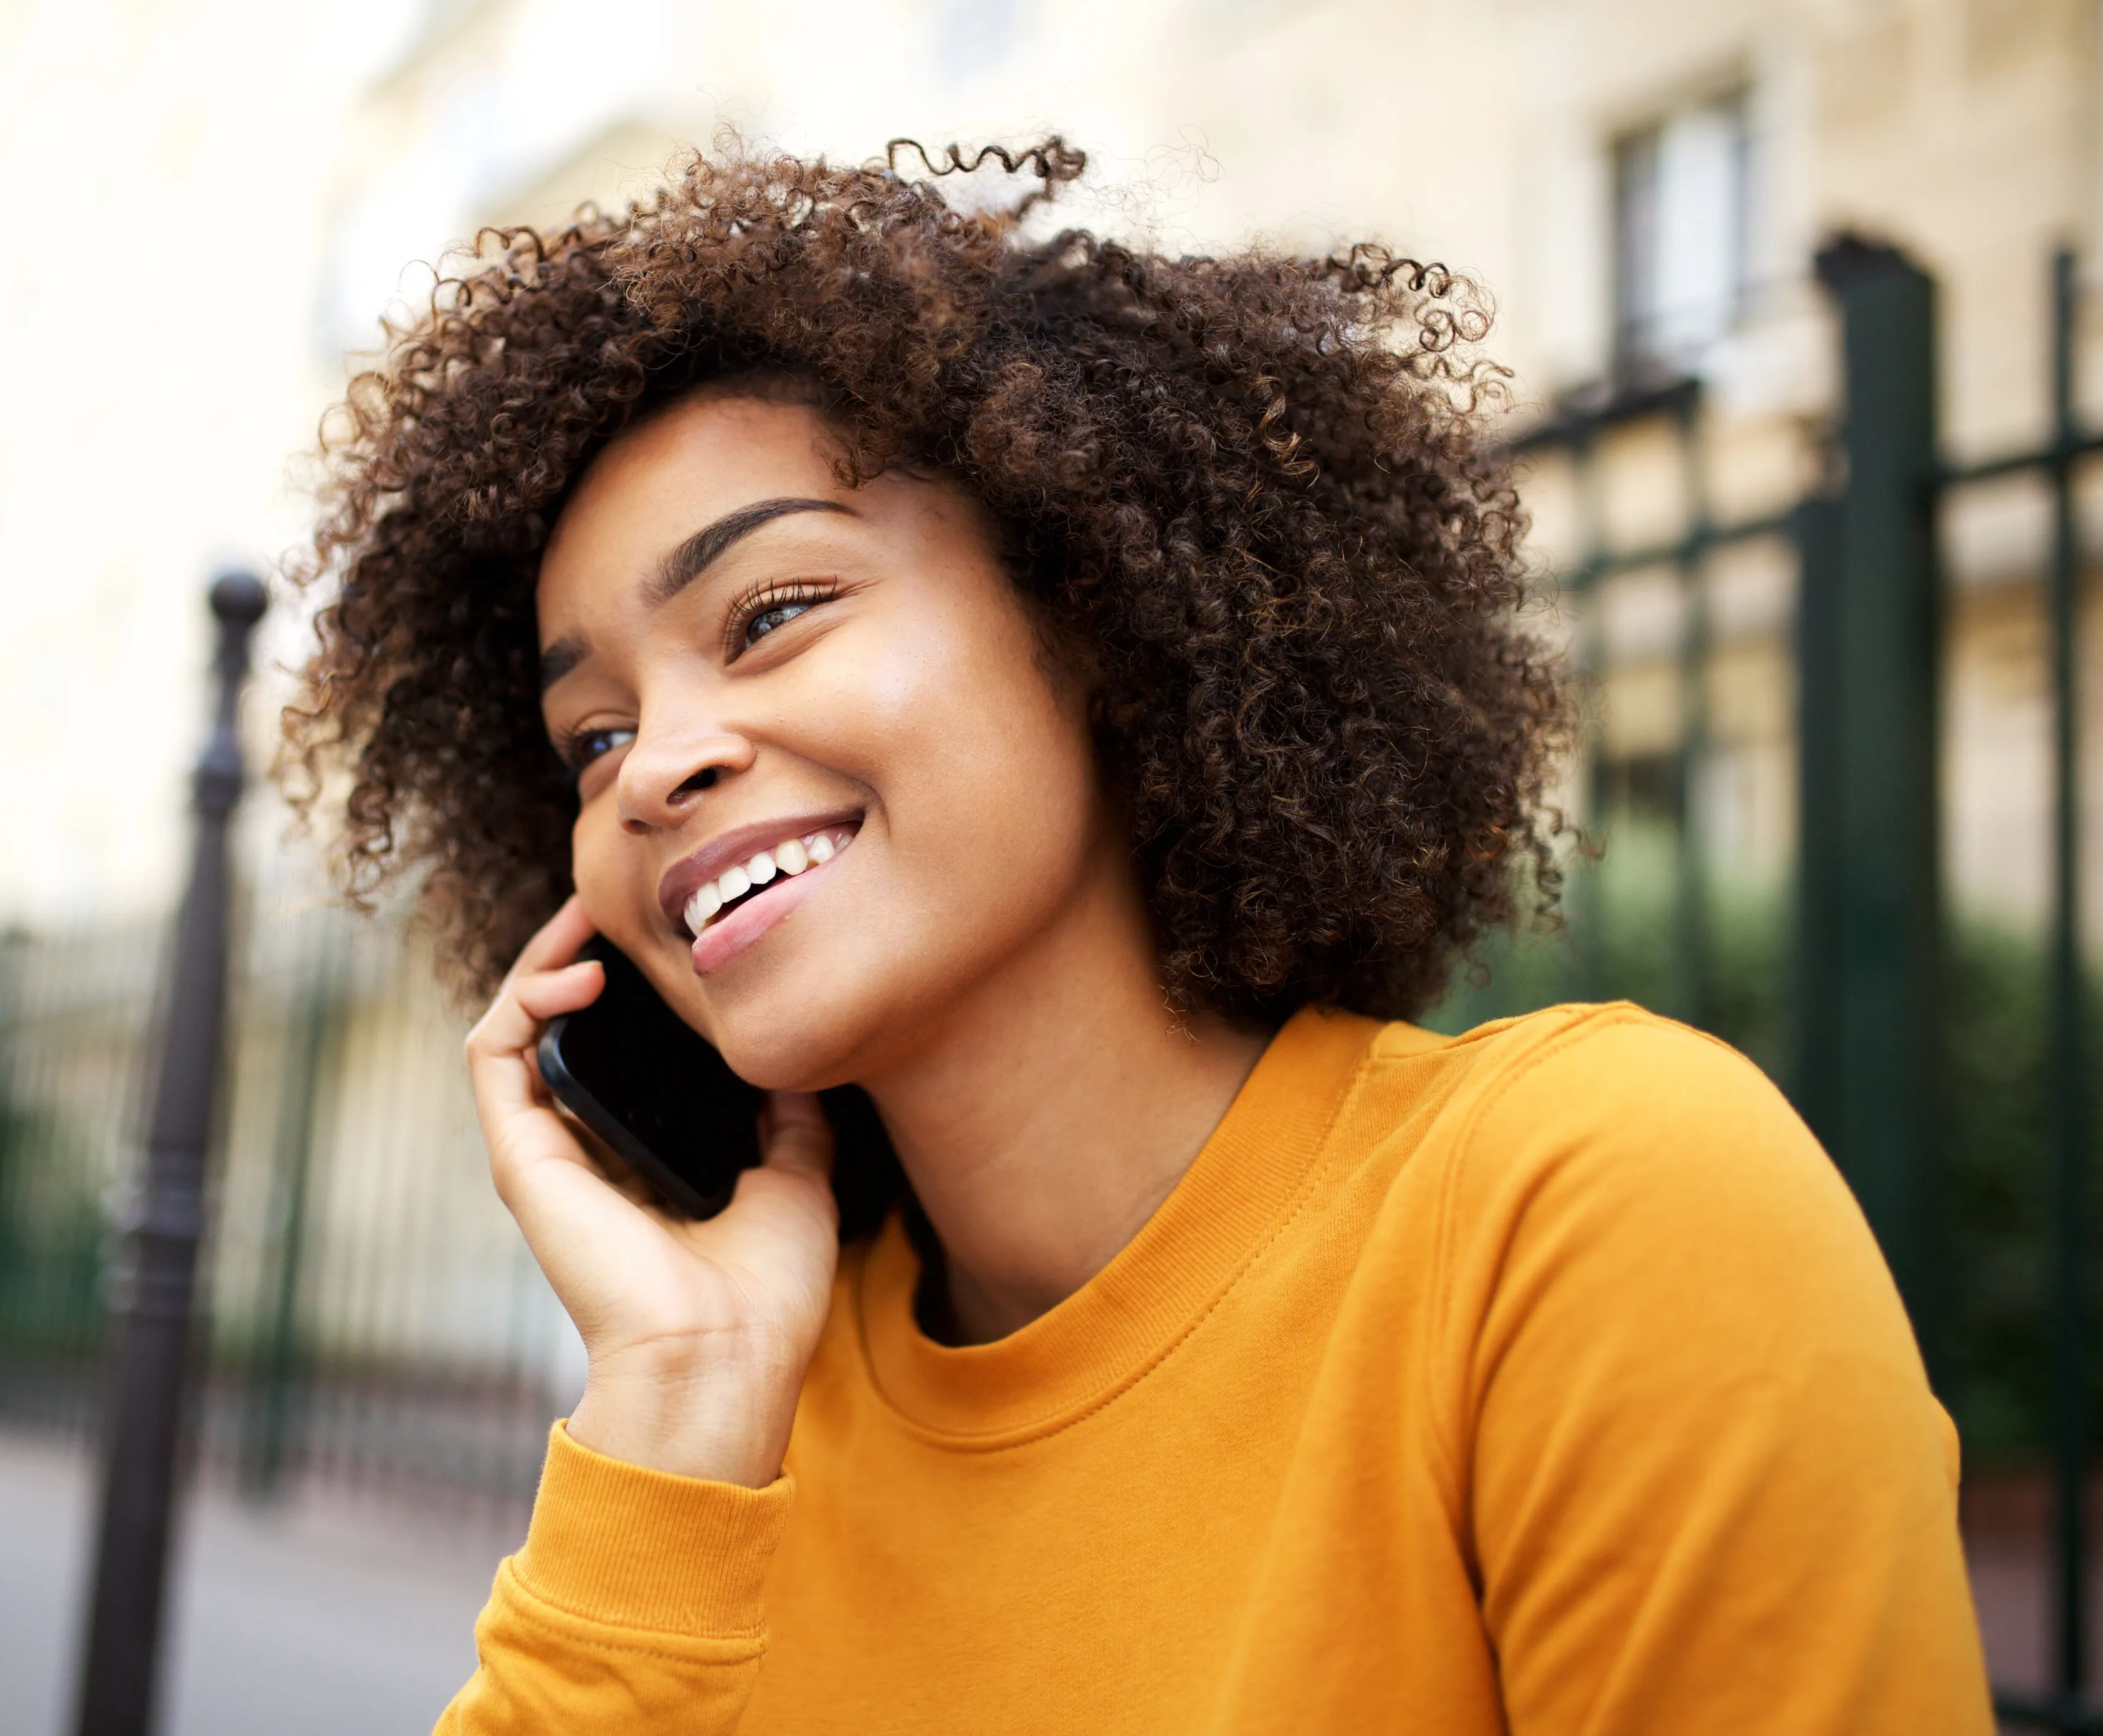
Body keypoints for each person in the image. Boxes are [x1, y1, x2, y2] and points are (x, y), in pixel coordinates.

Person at [284, 138, 1991, 1734]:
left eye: (772, 612)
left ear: (1093, 615)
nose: (652, 765)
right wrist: (674, 1399)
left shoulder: (1588, 1207)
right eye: (589, 735)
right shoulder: (729, 1432)